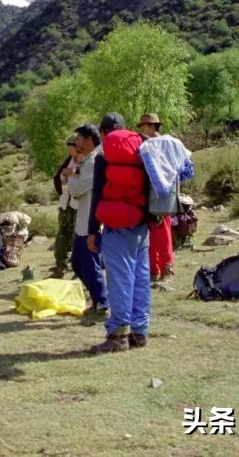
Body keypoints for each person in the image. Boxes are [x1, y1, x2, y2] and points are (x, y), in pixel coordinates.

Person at [87, 113, 150, 352]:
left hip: (116, 227)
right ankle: (139, 332)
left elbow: (98, 194)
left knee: (120, 279)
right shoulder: (141, 150)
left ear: (103, 133)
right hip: (142, 224)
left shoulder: (105, 157)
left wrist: (93, 230)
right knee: (140, 278)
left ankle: (118, 336)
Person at [137, 113, 193, 281]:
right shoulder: (174, 143)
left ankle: (158, 270)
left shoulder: (147, 146)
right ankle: (162, 268)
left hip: (152, 194)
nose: (141, 129)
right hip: (169, 195)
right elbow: (187, 170)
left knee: (154, 233)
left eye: (144, 126)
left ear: (152, 126)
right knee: (164, 231)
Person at [69, 123, 107, 325]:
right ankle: (98, 298)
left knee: (90, 263)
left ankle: (102, 301)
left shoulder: (93, 162)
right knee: (77, 262)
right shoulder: (86, 161)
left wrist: (73, 176)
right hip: (82, 220)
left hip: (91, 222)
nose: (76, 142)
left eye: (79, 138)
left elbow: (75, 189)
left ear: (89, 139)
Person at [50, 135, 81, 278]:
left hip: (79, 205)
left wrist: (75, 174)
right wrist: (64, 173)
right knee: (62, 234)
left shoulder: (87, 160)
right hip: (66, 203)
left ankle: (79, 267)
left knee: (78, 236)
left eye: (71, 146)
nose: (69, 149)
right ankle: (61, 264)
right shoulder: (69, 161)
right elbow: (59, 178)